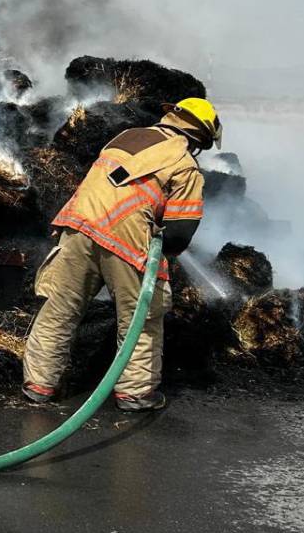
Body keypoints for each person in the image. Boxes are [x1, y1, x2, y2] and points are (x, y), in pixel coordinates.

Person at [22, 97, 221, 412]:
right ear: (200, 138)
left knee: (60, 308)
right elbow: (180, 233)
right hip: (126, 240)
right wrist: (160, 247)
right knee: (141, 317)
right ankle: (135, 394)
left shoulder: (125, 138)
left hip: (77, 225)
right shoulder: (184, 164)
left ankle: (39, 385)